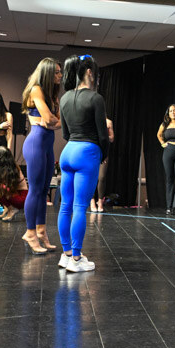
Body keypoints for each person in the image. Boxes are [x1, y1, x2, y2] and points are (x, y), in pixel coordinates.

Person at [58, 55, 109, 272]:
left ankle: (67, 254)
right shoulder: (96, 98)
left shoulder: (64, 98)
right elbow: (103, 135)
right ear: (89, 72)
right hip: (87, 153)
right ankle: (77, 259)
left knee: (65, 205)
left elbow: (65, 133)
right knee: (80, 206)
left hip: (68, 152)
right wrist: (104, 154)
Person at [21, 57, 62, 254]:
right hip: (35, 144)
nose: (60, 76)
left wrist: (52, 122)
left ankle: (41, 231)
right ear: (47, 73)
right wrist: (51, 121)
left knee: (44, 190)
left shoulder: (53, 96)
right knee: (35, 190)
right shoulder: (36, 90)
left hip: (47, 145)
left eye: (60, 72)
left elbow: (59, 122)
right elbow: (48, 118)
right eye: (56, 72)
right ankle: (30, 232)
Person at [0, 146, 27, 222]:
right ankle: (8, 208)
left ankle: (12, 209)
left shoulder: (14, 168)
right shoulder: (1, 169)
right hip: (13, 195)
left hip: (21, 198)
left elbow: (7, 188)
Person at [91, 117, 114, 212]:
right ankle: (92, 200)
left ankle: (100, 201)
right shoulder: (91, 120)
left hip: (103, 152)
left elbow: (112, 138)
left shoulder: (108, 122)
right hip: (92, 152)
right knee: (91, 176)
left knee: (102, 177)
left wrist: (104, 135)